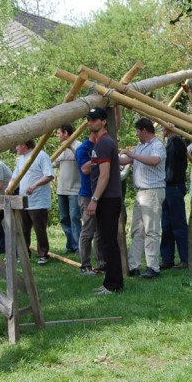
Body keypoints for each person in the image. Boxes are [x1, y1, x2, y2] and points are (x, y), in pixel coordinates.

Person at [120, 117, 166, 279]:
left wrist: (133, 154)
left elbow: (155, 161)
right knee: (137, 230)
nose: (136, 134)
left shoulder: (157, 145)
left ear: (144, 130)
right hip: (140, 192)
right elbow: (126, 160)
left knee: (151, 230)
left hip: (152, 191)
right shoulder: (140, 147)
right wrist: (110, 156)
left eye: (138, 131)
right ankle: (134, 266)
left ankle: (153, 267)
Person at [85, 107, 123, 295]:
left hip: (108, 199)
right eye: (89, 120)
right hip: (106, 198)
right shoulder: (100, 143)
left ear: (103, 121)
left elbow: (104, 175)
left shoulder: (105, 143)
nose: (90, 123)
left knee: (109, 243)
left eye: (94, 119)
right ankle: (110, 282)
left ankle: (114, 284)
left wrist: (94, 199)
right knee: (106, 242)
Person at [7, 139, 54, 265]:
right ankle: (24, 253)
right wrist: (9, 187)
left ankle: (43, 255)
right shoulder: (20, 160)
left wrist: (34, 185)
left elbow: (49, 175)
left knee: (39, 229)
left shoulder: (41, 155)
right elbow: (15, 177)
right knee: (23, 229)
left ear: (24, 145)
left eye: (17, 145)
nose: (16, 148)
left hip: (38, 200)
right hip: (23, 200)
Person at [75, 130, 105, 275]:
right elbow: (85, 169)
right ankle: (85, 265)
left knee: (100, 231)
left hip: (101, 194)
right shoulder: (83, 149)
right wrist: (99, 158)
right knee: (88, 231)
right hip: (87, 196)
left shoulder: (102, 146)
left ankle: (101, 264)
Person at [159, 122, 189, 270]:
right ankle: (167, 259)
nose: (161, 129)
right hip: (167, 187)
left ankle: (186, 259)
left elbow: (181, 155)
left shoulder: (177, 141)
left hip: (175, 187)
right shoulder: (169, 143)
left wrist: (174, 131)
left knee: (178, 224)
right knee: (166, 225)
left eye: (163, 126)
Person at [53, 124, 82, 254]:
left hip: (75, 189)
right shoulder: (61, 148)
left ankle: (78, 246)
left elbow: (83, 160)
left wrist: (69, 147)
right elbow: (53, 163)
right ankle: (70, 245)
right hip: (61, 190)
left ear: (66, 133)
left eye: (59, 133)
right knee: (64, 218)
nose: (57, 135)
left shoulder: (79, 146)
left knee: (75, 217)